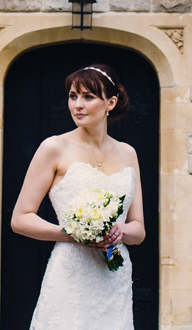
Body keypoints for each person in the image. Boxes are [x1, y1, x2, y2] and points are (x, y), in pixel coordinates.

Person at [11, 63, 145, 330]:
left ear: (111, 102)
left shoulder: (128, 153)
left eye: (88, 97)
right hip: (71, 275)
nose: (77, 105)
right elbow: (20, 218)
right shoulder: (54, 148)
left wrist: (119, 232)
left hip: (113, 277)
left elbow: (138, 230)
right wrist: (74, 233)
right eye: (73, 96)